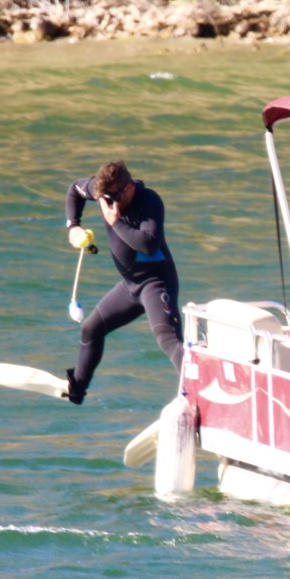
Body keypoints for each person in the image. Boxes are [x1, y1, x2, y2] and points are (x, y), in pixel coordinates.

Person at [63, 160, 183, 404]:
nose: (107, 203)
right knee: (90, 329)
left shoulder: (149, 201)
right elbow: (75, 189)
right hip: (130, 286)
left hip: (156, 284)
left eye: (112, 198)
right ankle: (76, 389)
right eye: (103, 198)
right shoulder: (102, 192)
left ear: (128, 189)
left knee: (169, 340)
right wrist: (73, 226)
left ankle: (197, 395)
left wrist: (115, 221)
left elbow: (149, 245)